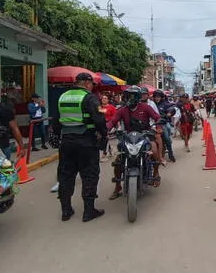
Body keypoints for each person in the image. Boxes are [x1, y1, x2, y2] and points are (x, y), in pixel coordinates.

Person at [54, 73, 106, 222]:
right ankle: (89, 211)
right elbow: (100, 119)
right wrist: (104, 135)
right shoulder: (90, 97)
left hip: (66, 142)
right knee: (89, 174)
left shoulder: (63, 97)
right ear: (87, 83)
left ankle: (66, 210)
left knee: (66, 175)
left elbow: (56, 120)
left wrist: (60, 137)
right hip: (86, 141)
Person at [107, 86, 162, 199]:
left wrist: (159, 126)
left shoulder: (145, 107)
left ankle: (156, 173)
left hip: (144, 135)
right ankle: (118, 187)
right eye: (128, 96)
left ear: (138, 97)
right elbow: (112, 121)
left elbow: (157, 117)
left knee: (154, 150)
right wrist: (104, 129)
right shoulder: (122, 110)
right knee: (118, 160)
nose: (130, 98)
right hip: (128, 137)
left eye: (132, 96)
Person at [153, 89, 176, 162]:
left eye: (158, 97)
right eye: (156, 97)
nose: (157, 98)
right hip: (152, 124)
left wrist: (169, 113)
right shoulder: (151, 104)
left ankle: (170, 154)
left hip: (162, 123)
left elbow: (172, 108)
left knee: (166, 138)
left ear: (161, 97)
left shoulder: (165, 104)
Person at [98, 93, 117, 162]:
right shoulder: (99, 107)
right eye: (103, 98)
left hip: (109, 125)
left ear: (108, 100)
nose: (104, 100)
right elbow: (98, 116)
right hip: (101, 125)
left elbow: (115, 117)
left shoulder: (111, 107)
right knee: (104, 138)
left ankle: (104, 154)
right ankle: (110, 150)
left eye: (105, 98)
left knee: (106, 137)